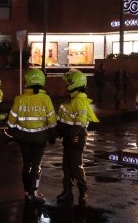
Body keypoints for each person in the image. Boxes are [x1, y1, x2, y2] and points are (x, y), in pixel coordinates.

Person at [7, 68, 57, 204]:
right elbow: (52, 120)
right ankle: (34, 193)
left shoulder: (20, 99)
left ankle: (27, 193)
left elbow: (11, 121)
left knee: (26, 164)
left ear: (27, 82)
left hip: (23, 138)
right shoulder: (45, 99)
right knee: (36, 165)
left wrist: (11, 130)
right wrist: (52, 135)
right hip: (40, 139)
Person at [56, 69, 99, 204]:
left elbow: (79, 122)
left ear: (74, 84)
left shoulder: (79, 101)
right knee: (66, 166)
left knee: (75, 165)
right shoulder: (73, 100)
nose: (66, 85)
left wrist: (72, 135)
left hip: (77, 135)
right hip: (70, 136)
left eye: (68, 82)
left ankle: (82, 190)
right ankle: (67, 191)